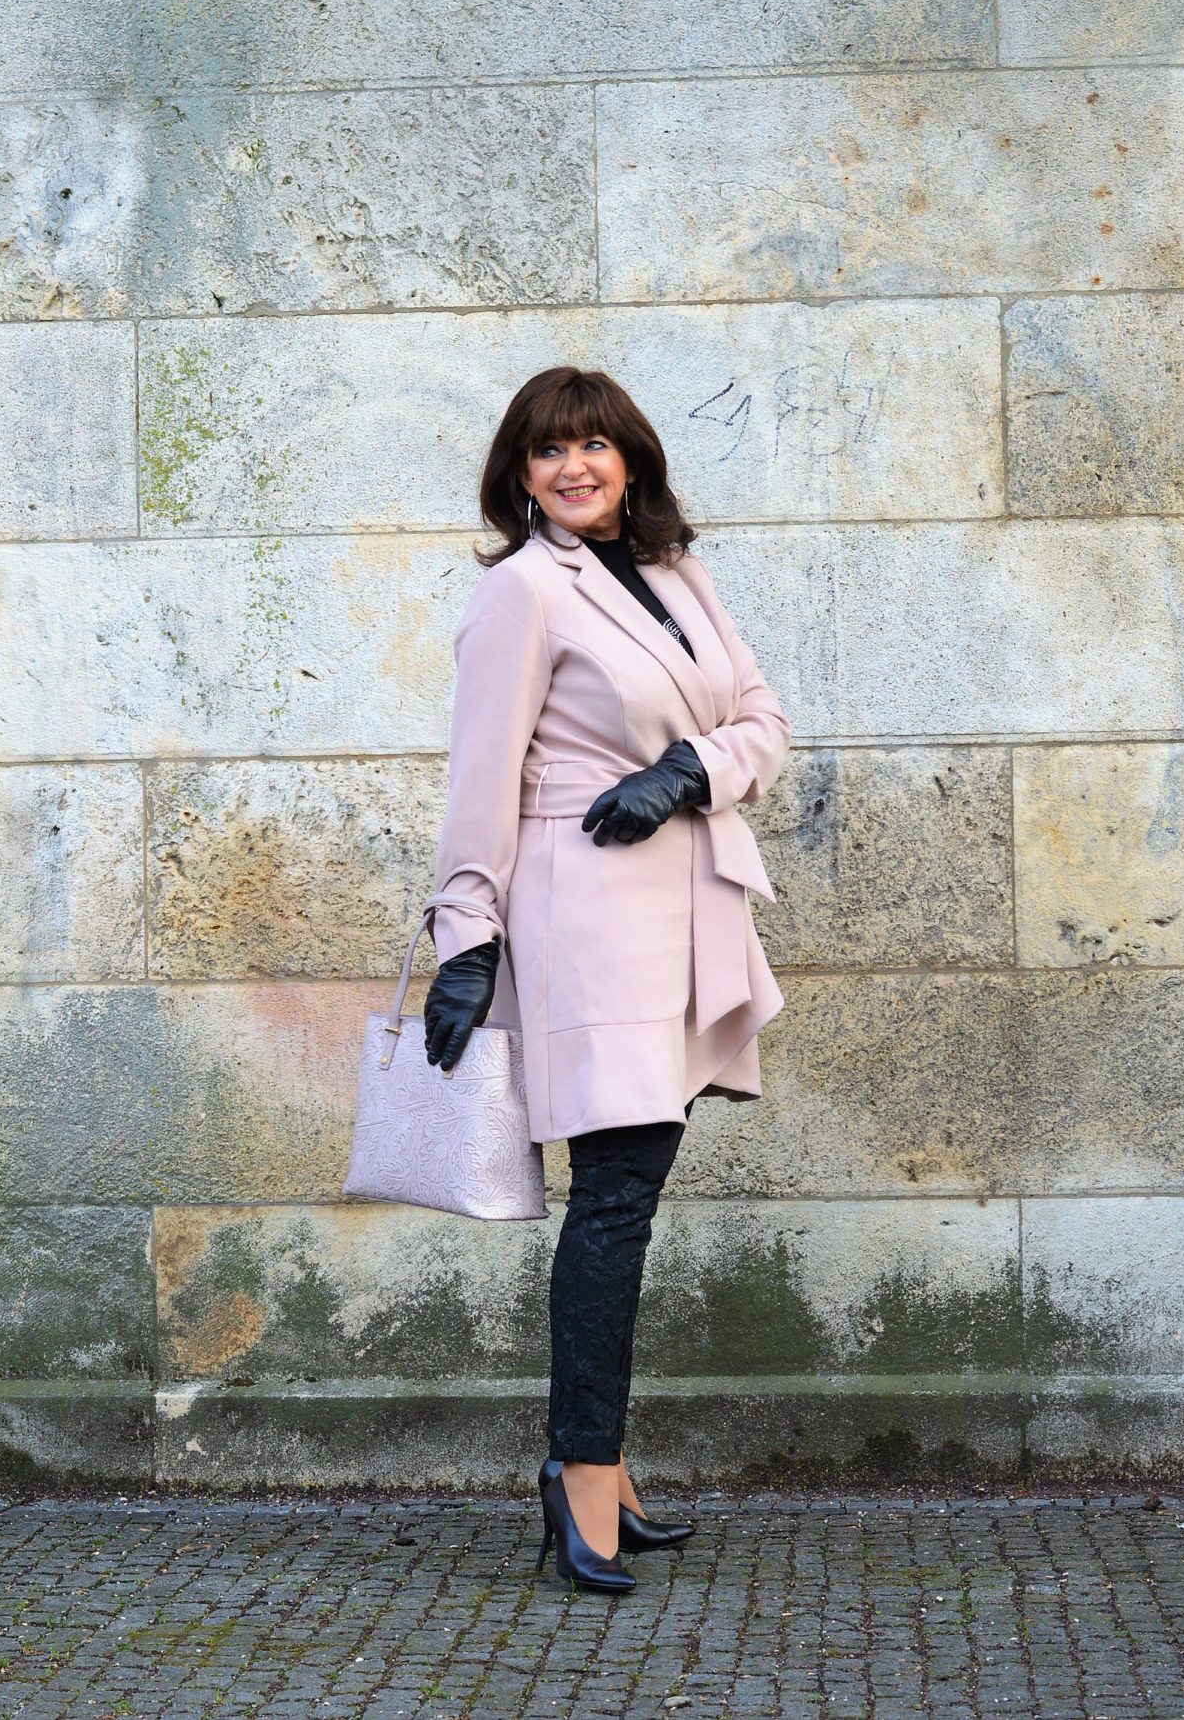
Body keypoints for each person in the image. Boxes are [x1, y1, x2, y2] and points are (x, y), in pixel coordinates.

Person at [421, 366, 791, 1593]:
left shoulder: (679, 572)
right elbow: (480, 775)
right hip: (582, 914)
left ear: (629, 459)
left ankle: (608, 1470)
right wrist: (467, 936)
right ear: (519, 476)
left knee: (630, 1185)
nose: (573, 466)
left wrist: (686, 771)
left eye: (593, 444)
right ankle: (580, 1473)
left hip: (683, 907)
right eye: (548, 450)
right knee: (616, 1193)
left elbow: (763, 720)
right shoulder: (521, 592)